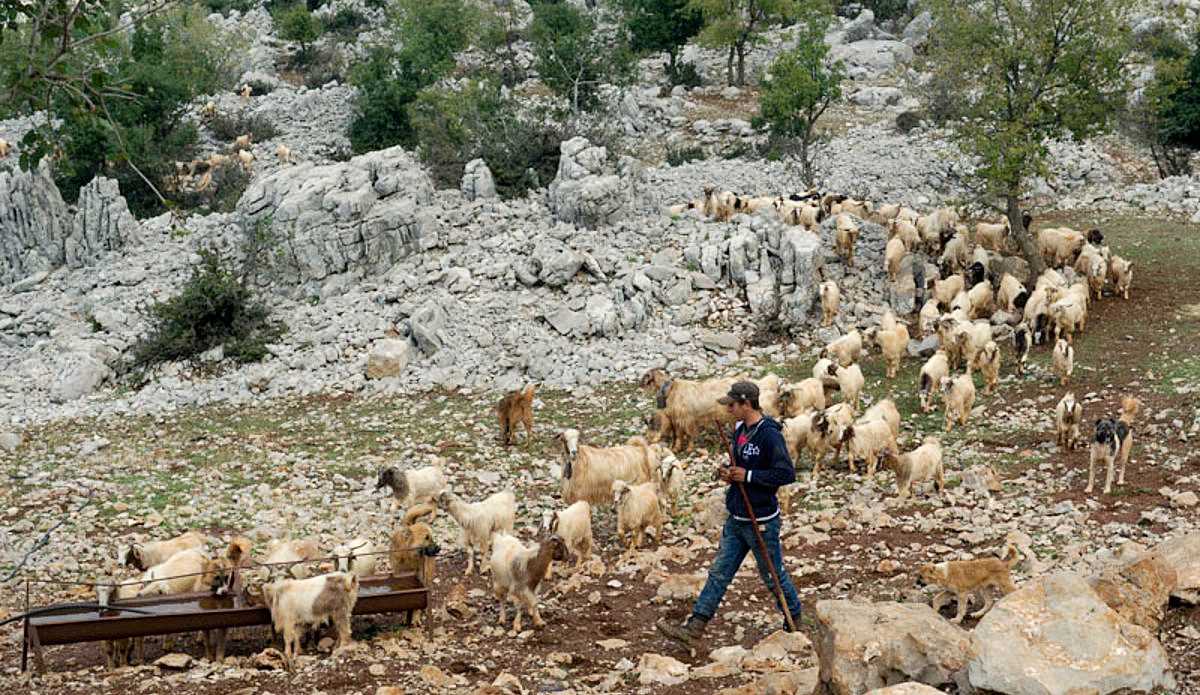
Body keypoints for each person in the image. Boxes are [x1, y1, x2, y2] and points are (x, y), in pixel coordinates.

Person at [656, 380, 804, 652]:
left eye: (733, 405)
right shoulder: (739, 430)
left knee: (773, 575)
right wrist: (728, 473)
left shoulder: (769, 435)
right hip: (738, 516)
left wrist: (747, 476)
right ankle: (694, 628)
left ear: (747, 404)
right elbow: (739, 466)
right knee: (719, 574)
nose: (729, 410)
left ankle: (794, 619)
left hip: (761, 520)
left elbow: (786, 474)